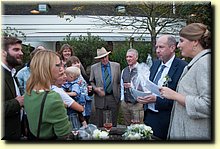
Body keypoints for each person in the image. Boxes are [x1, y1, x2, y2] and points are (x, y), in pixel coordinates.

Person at [159, 23, 211, 140]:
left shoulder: (205, 63)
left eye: (182, 41)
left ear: (195, 42)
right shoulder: (197, 63)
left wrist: (175, 96)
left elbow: (208, 105)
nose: (178, 45)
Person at [137, 35, 187, 140]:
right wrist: (141, 94)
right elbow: (150, 86)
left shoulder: (182, 67)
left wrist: (156, 100)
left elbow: (181, 97)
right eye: (156, 47)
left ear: (172, 48)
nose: (157, 50)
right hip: (149, 116)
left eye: (161, 47)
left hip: (166, 119)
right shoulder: (155, 64)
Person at [24, 50, 72, 139]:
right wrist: (62, 109)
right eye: (58, 65)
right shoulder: (53, 98)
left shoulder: (29, 91)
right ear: (46, 68)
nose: (62, 69)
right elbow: (64, 134)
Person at [90, 47, 121, 127]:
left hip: (113, 97)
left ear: (108, 56)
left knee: (113, 123)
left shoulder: (116, 66)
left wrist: (120, 94)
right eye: (102, 58)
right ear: (99, 59)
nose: (104, 59)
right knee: (100, 123)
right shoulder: (94, 68)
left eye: (105, 57)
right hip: (100, 98)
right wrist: (96, 89)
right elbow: (91, 81)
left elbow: (119, 81)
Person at [2, 36, 24, 140]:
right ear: (3, 52)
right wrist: (17, 103)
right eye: (16, 50)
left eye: (21, 50)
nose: (21, 53)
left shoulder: (12, 73)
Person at [66, 56, 93, 124]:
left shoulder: (83, 75)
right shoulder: (68, 78)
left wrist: (90, 90)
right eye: (74, 63)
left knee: (86, 119)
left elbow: (87, 87)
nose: (78, 64)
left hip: (86, 102)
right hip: (76, 104)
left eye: (78, 62)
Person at [120, 49, 144, 125]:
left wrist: (132, 86)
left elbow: (145, 86)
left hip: (137, 104)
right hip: (125, 104)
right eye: (127, 57)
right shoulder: (124, 70)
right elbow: (121, 86)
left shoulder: (142, 70)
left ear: (136, 57)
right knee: (128, 127)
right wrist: (122, 99)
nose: (128, 59)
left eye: (130, 56)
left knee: (138, 128)